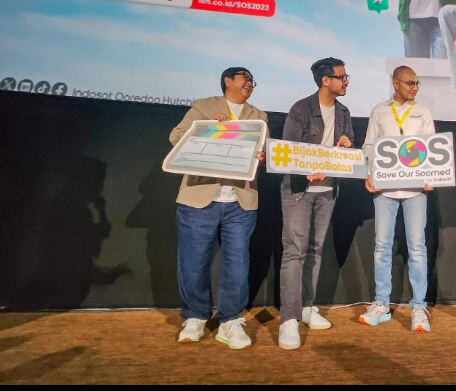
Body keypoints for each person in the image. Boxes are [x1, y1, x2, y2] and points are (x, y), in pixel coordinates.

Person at [171, 67, 268, 350]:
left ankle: (230, 320)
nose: (250, 83)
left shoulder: (259, 116)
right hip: (200, 199)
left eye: (252, 80)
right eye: (245, 78)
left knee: (237, 263)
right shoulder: (203, 106)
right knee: (193, 262)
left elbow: (263, 152)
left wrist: (263, 156)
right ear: (228, 81)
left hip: (241, 201)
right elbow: (176, 137)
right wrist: (207, 129)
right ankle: (195, 316)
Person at [278, 57, 355, 350]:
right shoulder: (301, 109)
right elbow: (288, 150)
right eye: (342, 77)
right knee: (294, 252)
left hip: (327, 191)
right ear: (326, 80)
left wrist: (346, 147)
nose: (346, 81)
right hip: (299, 190)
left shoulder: (344, 112)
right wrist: (306, 169)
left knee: (315, 250)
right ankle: (289, 319)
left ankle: (307, 308)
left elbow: (348, 152)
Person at [359, 65, 435, 332]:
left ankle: (418, 306)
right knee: (382, 246)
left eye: (417, 83)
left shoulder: (423, 111)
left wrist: (432, 174)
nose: (415, 88)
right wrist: (369, 173)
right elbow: (369, 145)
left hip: (415, 189)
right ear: (395, 83)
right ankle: (381, 303)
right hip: (385, 189)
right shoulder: (379, 111)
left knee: (417, 247)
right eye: (410, 83)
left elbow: (431, 148)